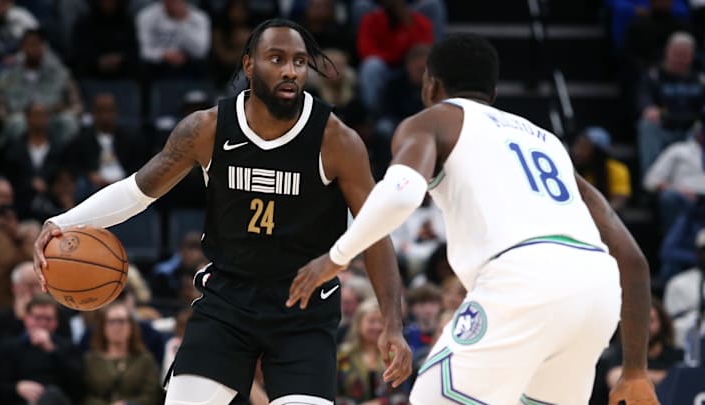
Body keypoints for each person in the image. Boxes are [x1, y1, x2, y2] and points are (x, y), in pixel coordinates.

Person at [33, 18, 411, 405]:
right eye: (276, 58)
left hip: (304, 311)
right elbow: (136, 192)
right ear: (249, 65)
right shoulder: (207, 129)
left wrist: (393, 325)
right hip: (228, 303)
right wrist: (62, 222)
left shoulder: (336, 140)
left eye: (299, 62)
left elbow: (375, 231)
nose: (289, 70)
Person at [287, 33, 657, 404]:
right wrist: (636, 371)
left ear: (430, 84)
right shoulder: (548, 142)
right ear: (493, 93)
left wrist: (336, 257)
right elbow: (634, 261)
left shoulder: (432, 122)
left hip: (524, 280)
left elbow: (401, 192)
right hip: (597, 293)